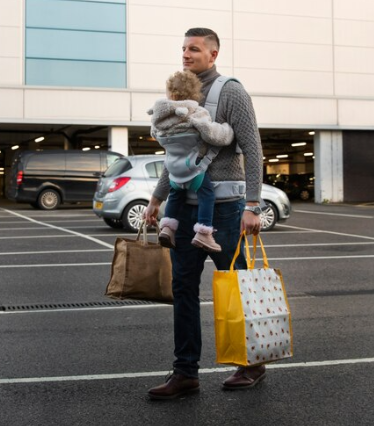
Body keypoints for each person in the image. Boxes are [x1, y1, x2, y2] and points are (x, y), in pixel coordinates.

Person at [143, 27, 264, 400]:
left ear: (213, 54)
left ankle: (251, 362)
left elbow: (252, 147)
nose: (185, 54)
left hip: (225, 210)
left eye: (193, 49)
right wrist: (156, 198)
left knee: (236, 286)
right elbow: (178, 159)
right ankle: (186, 373)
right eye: (182, 48)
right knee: (183, 290)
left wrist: (254, 204)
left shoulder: (231, 91)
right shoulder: (182, 97)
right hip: (185, 209)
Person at [148, 70, 235, 253]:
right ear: (195, 94)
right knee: (207, 195)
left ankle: (168, 229)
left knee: (175, 195)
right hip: (193, 169)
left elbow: (155, 134)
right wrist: (227, 129)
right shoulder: (195, 113)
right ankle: (204, 232)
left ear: (169, 93)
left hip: (173, 172)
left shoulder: (158, 119)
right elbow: (214, 134)